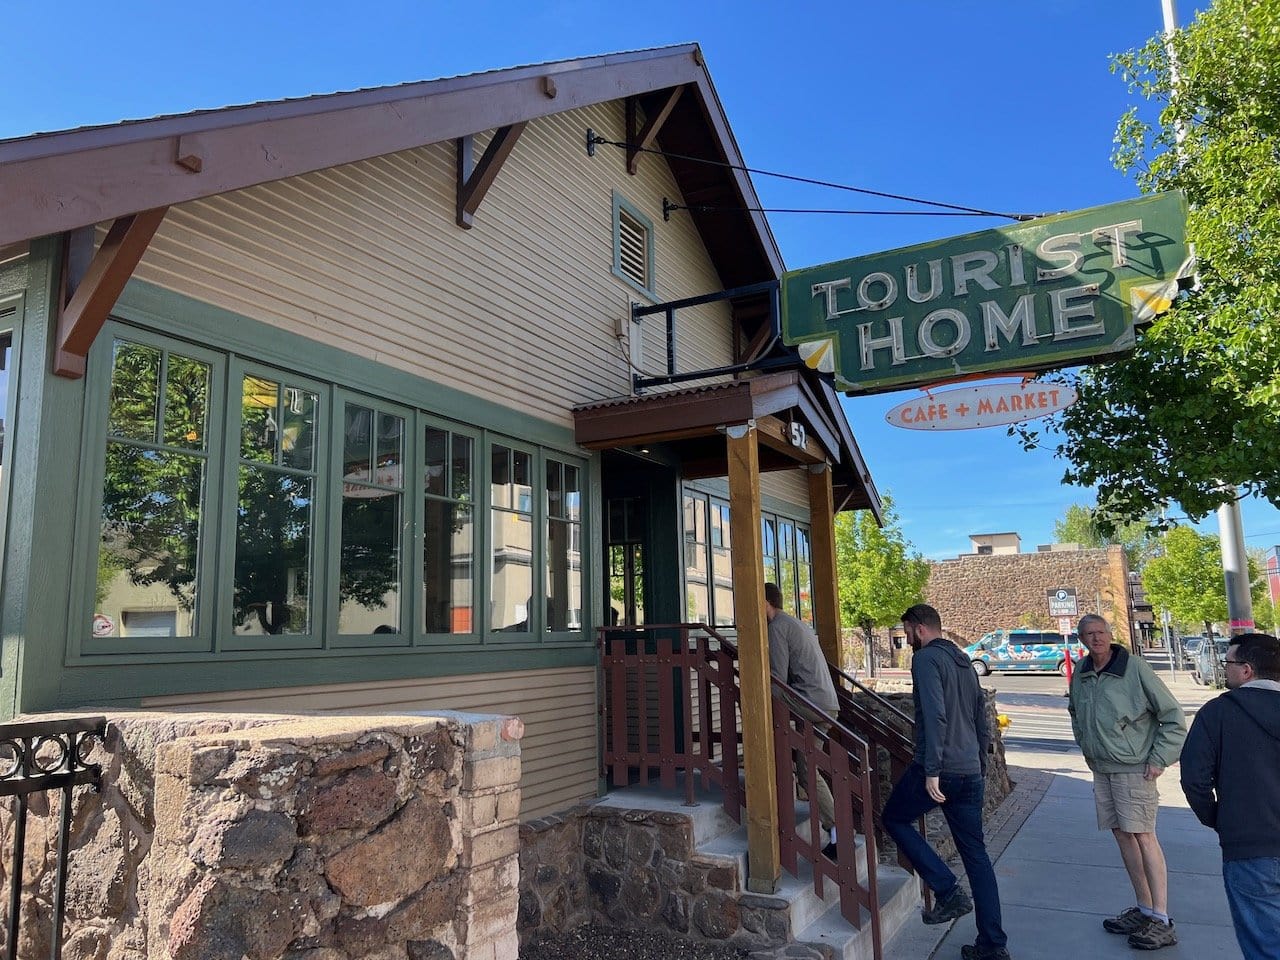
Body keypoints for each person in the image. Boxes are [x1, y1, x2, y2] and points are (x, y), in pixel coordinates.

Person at [881, 604, 1010, 960]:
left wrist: (933, 768)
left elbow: (936, 714)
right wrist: (981, 763)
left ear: (920, 629)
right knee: (977, 857)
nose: (904, 638)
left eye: (905, 630)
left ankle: (947, 890)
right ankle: (993, 945)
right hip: (969, 770)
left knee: (893, 818)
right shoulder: (962, 659)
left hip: (938, 768)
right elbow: (979, 712)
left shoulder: (925, 660)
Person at [1067, 614, 1186, 951]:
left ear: (1109, 634)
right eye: (1089, 634)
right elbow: (1076, 712)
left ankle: (1161, 919)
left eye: (1101, 632)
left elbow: (1173, 718)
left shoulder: (1134, 668)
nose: (1096, 639)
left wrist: (1158, 759)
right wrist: (1087, 748)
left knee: (1144, 835)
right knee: (1122, 835)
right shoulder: (1083, 672)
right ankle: (1145, 908)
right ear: (1082, 639)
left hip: (1135, 768)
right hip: (1102, 768)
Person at [1180, 632, 1280, 960]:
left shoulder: (1216, 712)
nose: (1225, 669)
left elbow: (1194, 779)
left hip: (1250, 848)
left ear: (1247, 670)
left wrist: (1219, 817)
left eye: (1229, 663)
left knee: (1265, 944)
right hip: (1252, 846)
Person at [764, 582, 840, 858]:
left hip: (811, 702)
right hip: (824, 703)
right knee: (808, 769)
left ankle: (836, 830)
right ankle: (836, 832)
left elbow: (776, 679)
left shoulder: (777, 628)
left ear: (765, 604)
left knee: (767, 692)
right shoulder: (794, 623)